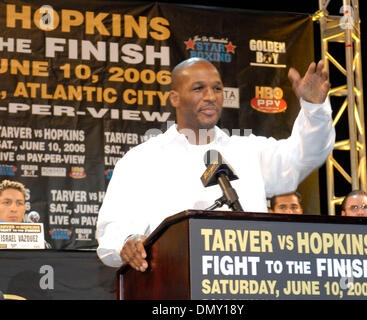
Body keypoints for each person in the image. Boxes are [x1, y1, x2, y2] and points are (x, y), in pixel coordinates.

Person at [96, 57, 335, 271]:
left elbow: (304, 155)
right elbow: (112, 227)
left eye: (217, 88)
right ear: (175, 98)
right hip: (173, 286)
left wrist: (314, 109)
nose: (210, 96)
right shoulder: (142, 160)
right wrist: (127, 242)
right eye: (199, 88)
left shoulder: (249, 151)